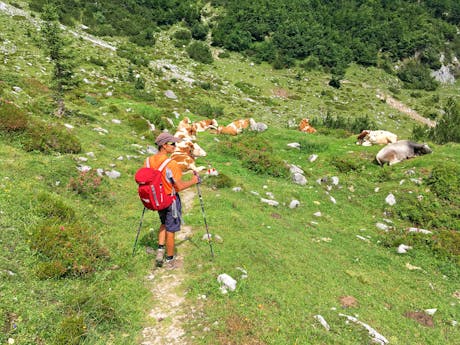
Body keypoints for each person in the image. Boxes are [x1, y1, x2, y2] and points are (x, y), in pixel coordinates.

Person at [146, 132, 199, 268]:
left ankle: (160, 250)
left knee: (163, 223)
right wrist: (193, 181)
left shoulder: (148, 161)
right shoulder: (172, 164)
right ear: (164, 146)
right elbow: (179, 187)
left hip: (157, 199)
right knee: (171, 229)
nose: (175, 146)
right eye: (172, 144)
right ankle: (170, 260)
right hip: (170, 200)